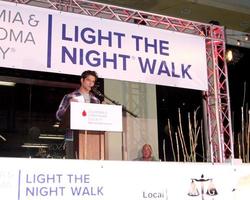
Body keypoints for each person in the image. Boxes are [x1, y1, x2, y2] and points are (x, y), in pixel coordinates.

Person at [56, 70, 100, 159]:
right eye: (88, 80)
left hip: (92, 136)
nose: (91, 83)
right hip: (72, 136)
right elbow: (58, 115)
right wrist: (69, 106)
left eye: (93, 81)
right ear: (82, 80)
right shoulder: (70, 96)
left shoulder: (96, 100)